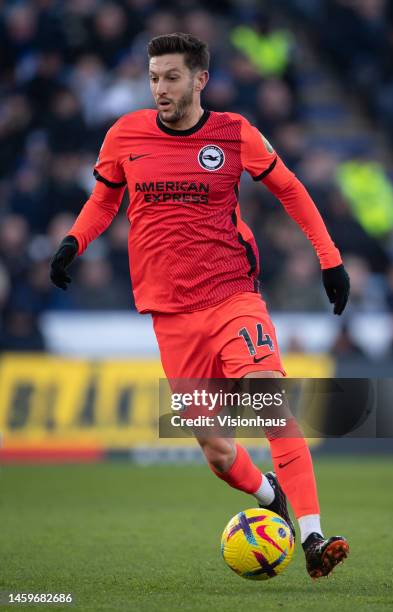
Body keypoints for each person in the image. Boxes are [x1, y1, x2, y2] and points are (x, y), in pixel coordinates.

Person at [50, 32, 350, 579]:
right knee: (215, 447)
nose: (159, 88)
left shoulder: (234, 135)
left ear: (199, 80)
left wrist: (329, 259)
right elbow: (103, 200)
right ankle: (269, 494)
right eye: (153, 77)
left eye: (170, 77)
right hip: (169, 313)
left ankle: (312, 536)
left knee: (269, 403)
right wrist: (74, 242)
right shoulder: (125, 135)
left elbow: (290, 188)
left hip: (232, 296)